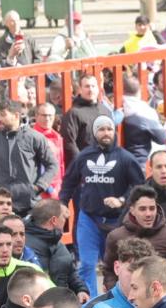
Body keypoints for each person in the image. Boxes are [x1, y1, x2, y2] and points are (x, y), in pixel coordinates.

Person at [59, 114, 145, 294]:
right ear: (94, 133)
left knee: (117, 265)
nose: (106, 133)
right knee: (87, 265)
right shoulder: (84, 156)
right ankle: (89, 307)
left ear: (114, 132)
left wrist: (122, 200)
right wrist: (62, 202)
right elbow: (69, 181)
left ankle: (118, 301)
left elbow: (140, 187)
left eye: (109, 129)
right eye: (101, 129)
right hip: (89, 218)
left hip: (117, 222)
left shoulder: (126, 158)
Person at [0, 98, 58, 216]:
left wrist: (38, 187)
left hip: (30, 204)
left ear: (16, 115)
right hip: (3, 204)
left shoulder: (35, 138)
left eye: (3, 114)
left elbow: (52, 165)